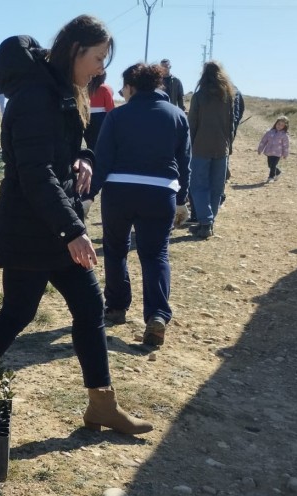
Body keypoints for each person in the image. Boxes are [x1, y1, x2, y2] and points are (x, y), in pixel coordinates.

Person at [0, 15, 153, 435]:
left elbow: (72, 149)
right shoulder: (35, 97)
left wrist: (84, 161)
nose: (101, 68)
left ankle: (101, 405)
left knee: (90, 310)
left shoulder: (62, 91)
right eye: (96, 58)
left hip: (56, 224)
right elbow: (35, 173)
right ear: (75, 50)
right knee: (17, 313)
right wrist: (73, 230)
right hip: (31, 229)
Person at [91, 63, 191, 347]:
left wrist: (89, 195)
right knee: (156, 254)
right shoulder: (177, 116)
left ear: (132, 87)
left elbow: (103, 157)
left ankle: (116, 307)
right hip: (160, 194)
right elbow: (185, 162)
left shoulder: (118, 116)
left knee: (115, 249)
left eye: (124, 88)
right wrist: (182, 199)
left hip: (118, 191)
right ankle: (157, 315)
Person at [187, 61, 236, 239]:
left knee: (199, 186)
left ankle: (205, 221)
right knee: (216, 187)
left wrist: (188, 147)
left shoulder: (199, 96)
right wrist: (229, 146)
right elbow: (232, 124)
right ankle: (207, 222)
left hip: (200, 147)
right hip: (221, 148)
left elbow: (191, 124)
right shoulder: (228, 96)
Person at [83, 72, 115, 150]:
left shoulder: (85, 88)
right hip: (101, 119)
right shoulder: (105, 88)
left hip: (87, 119)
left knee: (90, 146)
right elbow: (110, 108)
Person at [257, 116, 290, 184]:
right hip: (269, 152)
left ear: (285, 126)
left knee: (273, 165)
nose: (279, 126)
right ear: (275, 123)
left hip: (278, 153)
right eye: (278, 124)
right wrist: (260, 149)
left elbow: (285, 146)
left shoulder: (284, 135)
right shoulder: (269, 132)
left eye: (282, 125)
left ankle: (271, 177)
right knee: (270, 165)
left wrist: (285, 154)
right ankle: (278, 172)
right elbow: (264, 141)